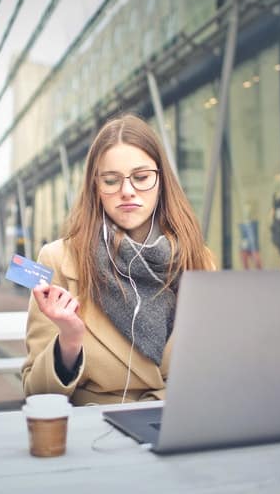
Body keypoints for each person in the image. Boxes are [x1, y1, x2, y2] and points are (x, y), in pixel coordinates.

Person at [21, 114, 214, 405]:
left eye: (141, 178)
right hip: (99, 433)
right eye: (111, 180)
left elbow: (212, 364)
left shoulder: (199, 259)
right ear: (96, 188)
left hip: (181, 421)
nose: (127, 191)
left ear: (161, 181)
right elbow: (35, 391)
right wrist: (69, 341)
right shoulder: (56, 259)